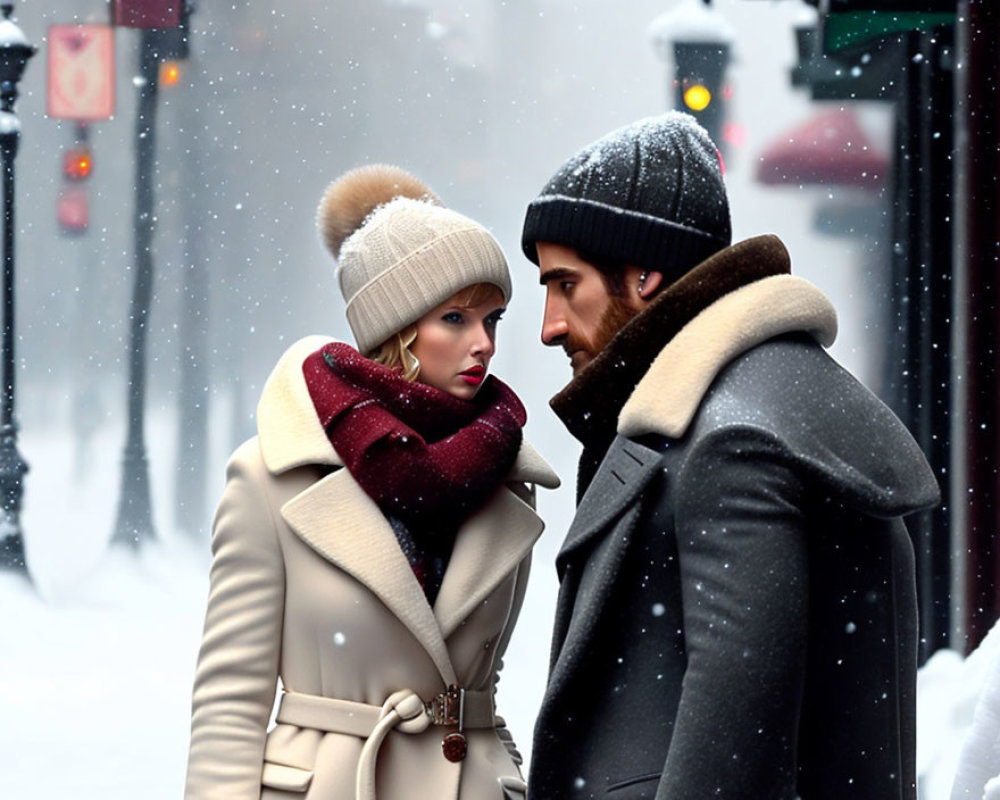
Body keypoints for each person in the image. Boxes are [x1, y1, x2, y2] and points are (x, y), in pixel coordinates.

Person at [521, 113, 940, 799]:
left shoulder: (726, 441)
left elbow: (734, 740)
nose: (550, 327)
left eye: (566, 285)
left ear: (646, 273)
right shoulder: (763, 403)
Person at [184, 164, 559, 800]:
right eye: (456, 319)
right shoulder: (272, 477)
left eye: (492, 320)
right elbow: (229, 703)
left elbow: (479, 697)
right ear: (399, 325)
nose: (485, 344)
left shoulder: (503, 474)